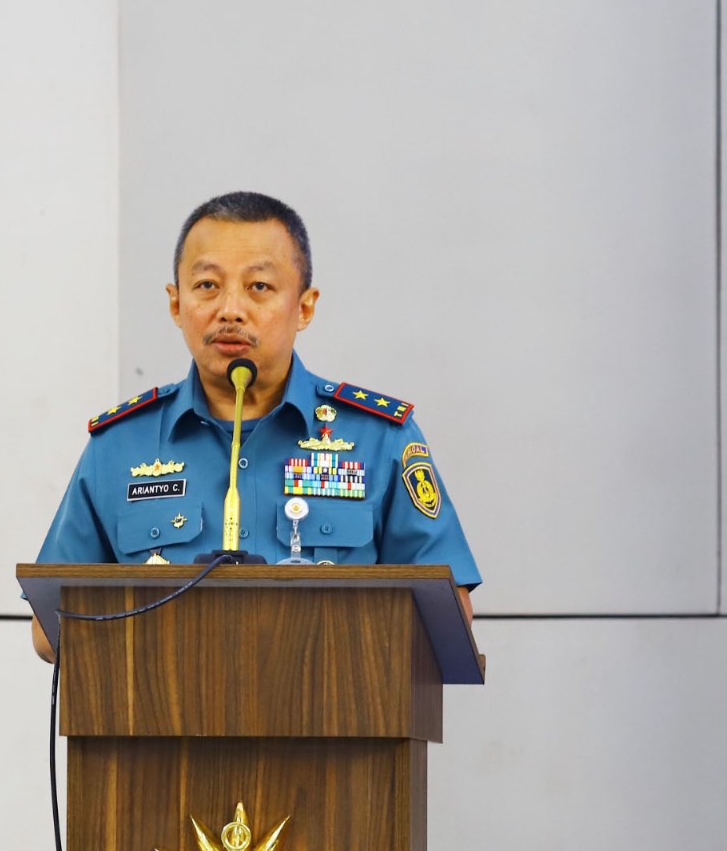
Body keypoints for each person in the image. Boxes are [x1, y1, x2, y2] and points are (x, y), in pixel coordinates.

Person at [30, 191, 478, 662]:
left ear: (304, 307)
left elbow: (447, 615)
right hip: (160, 706)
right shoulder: (120, 447)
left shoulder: (379, 439)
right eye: (207, 285)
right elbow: (49, 628)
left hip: (333, 704)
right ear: (176, 303)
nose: (230, 310)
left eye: (259, 286)